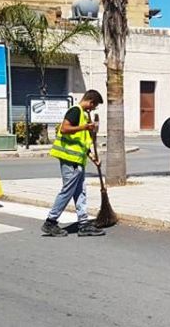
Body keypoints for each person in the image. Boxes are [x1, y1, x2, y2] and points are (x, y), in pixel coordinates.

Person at [42, 90, 106, 237]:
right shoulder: (75, 111)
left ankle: (83, 224)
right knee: (67, 191)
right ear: (90, 101)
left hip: (78, 160)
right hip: (70, 160)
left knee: (80, 191)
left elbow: (82, 142)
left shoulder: (83, 115)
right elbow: (64, 129)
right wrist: (85, 127)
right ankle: (50, 222)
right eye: (94, 106)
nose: (93, 109)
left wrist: (92, 157)